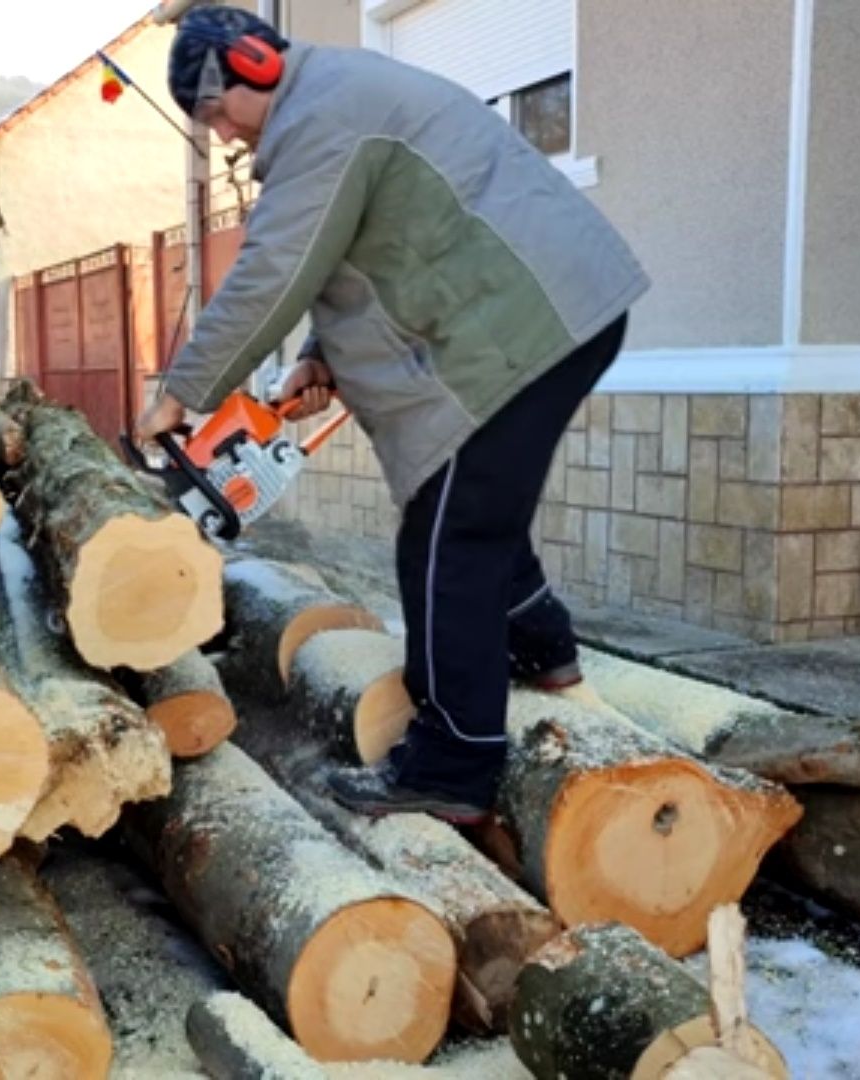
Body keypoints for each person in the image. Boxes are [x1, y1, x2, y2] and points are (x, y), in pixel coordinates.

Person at [136, 5, 649, 825]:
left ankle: (454, 765)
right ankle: (540, 647)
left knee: (446, 540)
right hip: (546, 315)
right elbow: (361, 246)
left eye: (216, 115)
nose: (225, 138)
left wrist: (179, 392)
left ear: (251, 69)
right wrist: (321, 356)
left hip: (530, 325)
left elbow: (276, 268)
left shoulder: (319, 122)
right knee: (467, 510)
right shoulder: (334, 101)